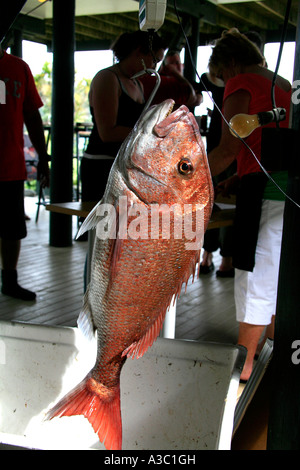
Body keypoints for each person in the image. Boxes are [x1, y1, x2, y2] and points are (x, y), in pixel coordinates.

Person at [206, 29, 291, 381]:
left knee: (253, 276)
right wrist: (237, 177)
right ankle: (272, 353)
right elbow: (263, 141)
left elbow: (227, 148)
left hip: (265, 190)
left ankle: (245, 366)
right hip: (286, 185)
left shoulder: (241, 80)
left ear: (231, 64)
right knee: (275, 277)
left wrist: (182, 179)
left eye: (221, 77)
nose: (223, 84)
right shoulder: (282, 81)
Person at [80, 30, 166, 207]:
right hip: (102, 165)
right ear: (139, 52)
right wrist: (150, 133)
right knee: (101, 228)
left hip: (125, 166)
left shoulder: (138, 84)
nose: (154, 68)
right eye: (155, 60)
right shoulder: (107, 78)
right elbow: (107, 132)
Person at [0, 43, 50, 300]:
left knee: (12, 229)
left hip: (10, 164)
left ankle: (9, 280)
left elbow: (32, 116)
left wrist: (43, 157)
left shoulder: (19, 68)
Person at [197, 72, 236, 277]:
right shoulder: (237, 82)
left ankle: (208, 257)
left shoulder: (219, 80)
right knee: (223, 203)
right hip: (229, 149)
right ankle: (222, 259)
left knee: (214, 203)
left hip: (217, 147)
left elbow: (199, 83)